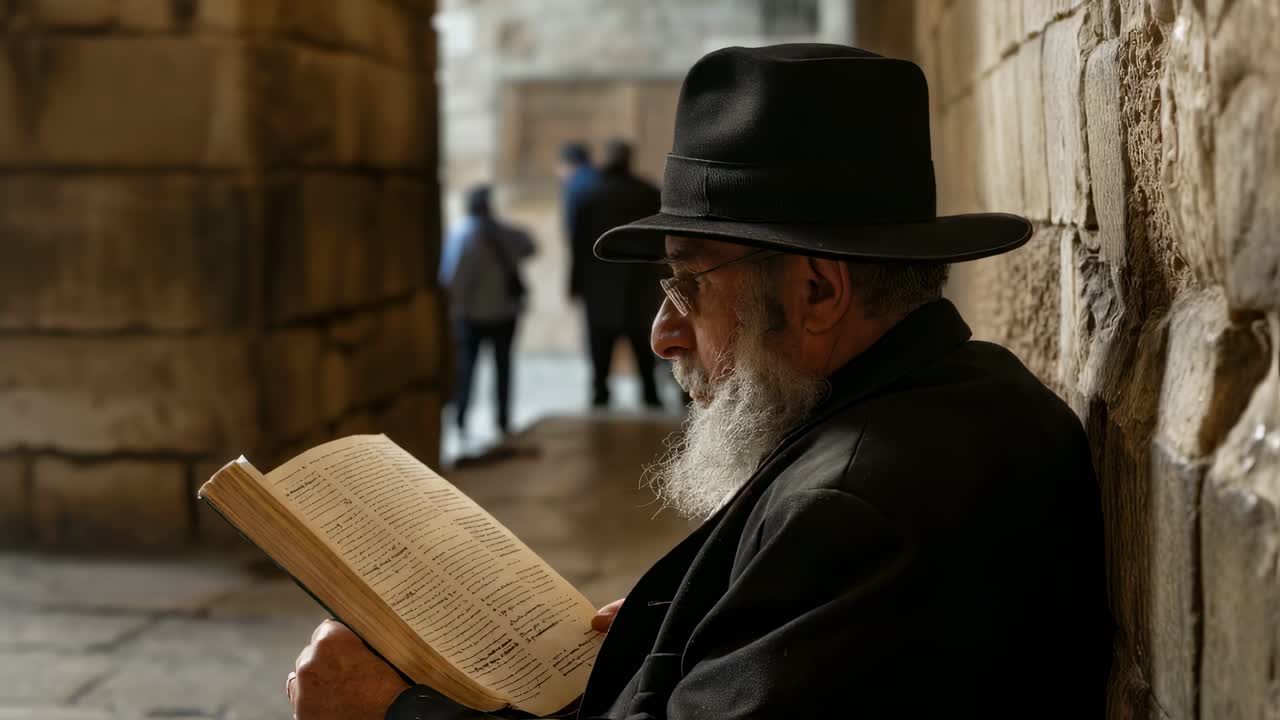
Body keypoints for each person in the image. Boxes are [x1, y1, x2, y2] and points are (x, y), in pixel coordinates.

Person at [287, 44, 1115, 719]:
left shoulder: (860, 506)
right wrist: (683, 628)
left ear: (819, 292)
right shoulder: (964, 389)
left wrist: (394, 715)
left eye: (689, 285)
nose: (662, 333)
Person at [570, 139, 665, 408]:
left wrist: (575, 284)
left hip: (599, 286)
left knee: (600, 344)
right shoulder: (648, 193)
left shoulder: (589, 196)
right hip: (640, 283)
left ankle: (600, 391)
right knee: (643, 340)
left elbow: (578, 246)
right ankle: (650, 393)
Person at [438, 184, 534, 437]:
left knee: (467, 370)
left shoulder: (461, 236)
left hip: (471, 316)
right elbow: (530, 246)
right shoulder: (504, 232)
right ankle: (502, 420)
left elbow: (454, 280)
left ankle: (460, 420)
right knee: (503, 368)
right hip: (505, 313)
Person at [557, 141, 599, 246]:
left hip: (588, 248)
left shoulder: (574, 185)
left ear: (568, 164)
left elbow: (572, 226)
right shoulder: (600, 176)